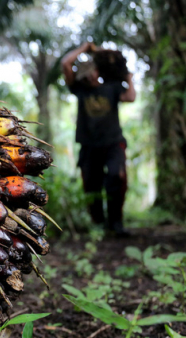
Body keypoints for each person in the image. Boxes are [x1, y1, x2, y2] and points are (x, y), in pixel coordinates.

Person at [61, 42, 136, 237]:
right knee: (91, 185)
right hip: (89, 145)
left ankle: (116, 223)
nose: (89, 75)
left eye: (91, 70)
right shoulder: (79, 89)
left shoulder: (112, 87)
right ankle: (99, 225)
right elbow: (66, 64)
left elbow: (130, 97)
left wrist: (129, 79)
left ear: (97, 71)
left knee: (116, 177)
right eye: (85, 72)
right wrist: (85, 49)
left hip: (113, 143)